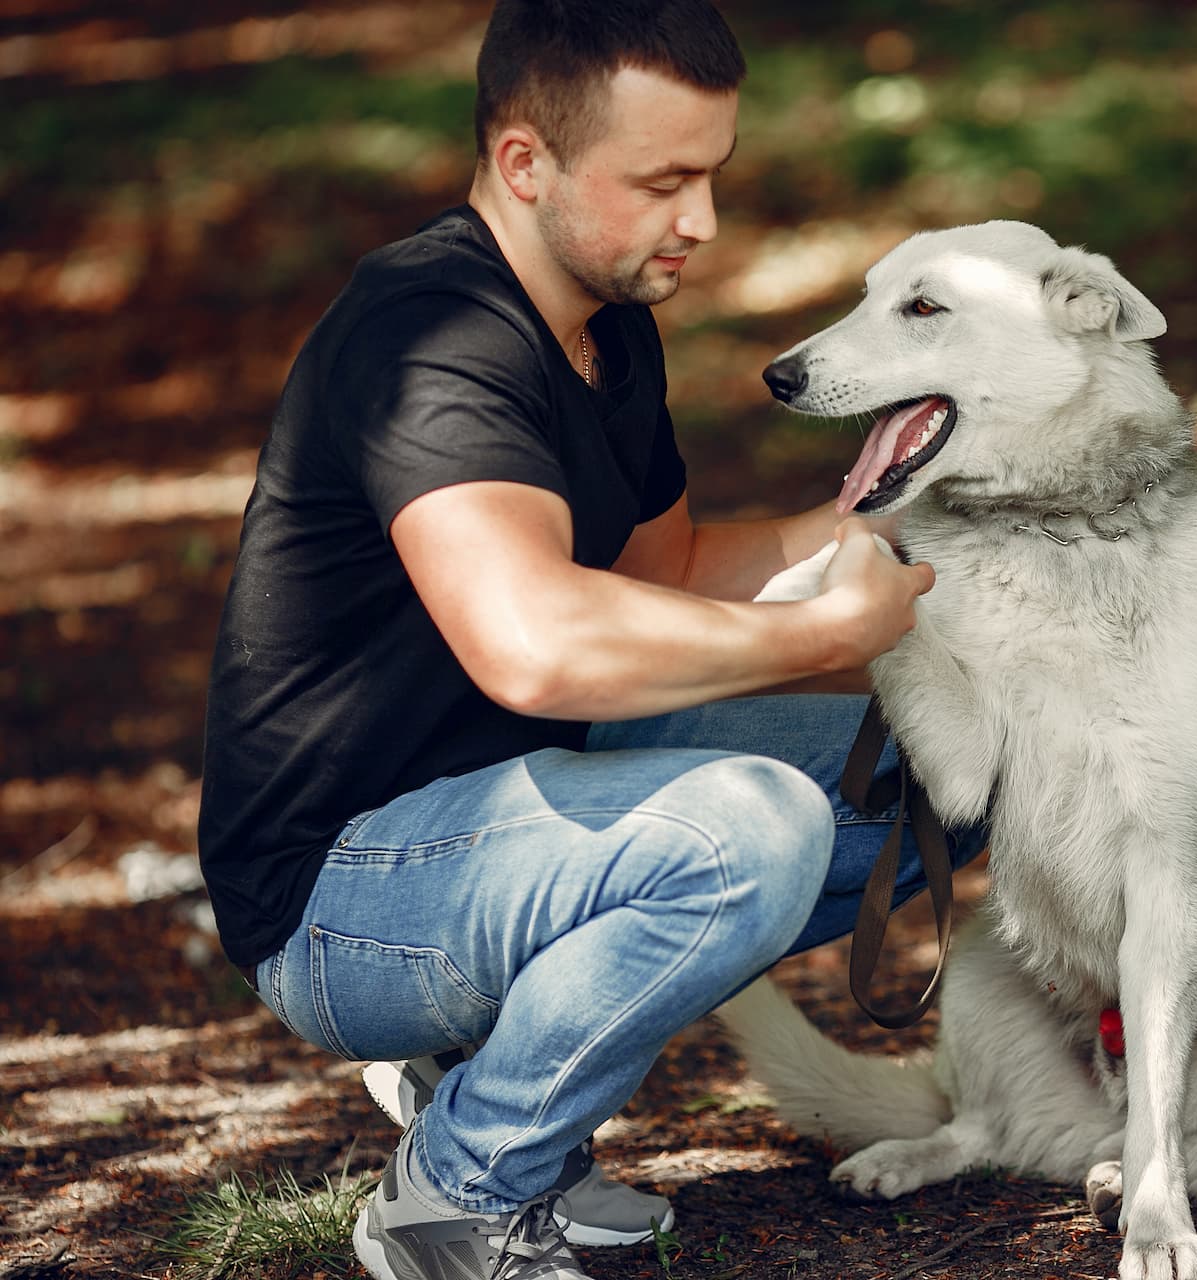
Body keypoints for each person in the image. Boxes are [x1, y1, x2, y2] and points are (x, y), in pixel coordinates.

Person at [195, 4, 982, 1278]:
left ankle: (492, 1087)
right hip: (341, 892)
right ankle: (459, 1188)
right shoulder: (432, 335)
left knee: (944, 765)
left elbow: (656, 572)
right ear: (526, 165)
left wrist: (869, 517)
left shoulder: (607, 319)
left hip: (513, 806)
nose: (703, 222)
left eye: (712, 174)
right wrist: (828, 630)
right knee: (752, 832)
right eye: (665, 182)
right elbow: (536, 645)